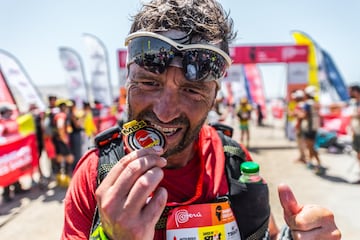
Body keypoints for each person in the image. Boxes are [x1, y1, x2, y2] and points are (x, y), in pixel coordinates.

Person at [61, 1, 341, 239]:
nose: (165, 112)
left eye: (191, 90)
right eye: (148, 83)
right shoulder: (98, 173)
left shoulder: (231, 158)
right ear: (127, 82)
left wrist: (296, 235)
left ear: (214, 95)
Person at [298, 86, 324, 174]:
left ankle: (318, 164)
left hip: (308, 128)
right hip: (314, 128)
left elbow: (304, 115)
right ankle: (311, 162)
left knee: (311, 147)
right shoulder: (316, 103)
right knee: (311, 146)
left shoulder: (307, 104)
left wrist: (297, 114)